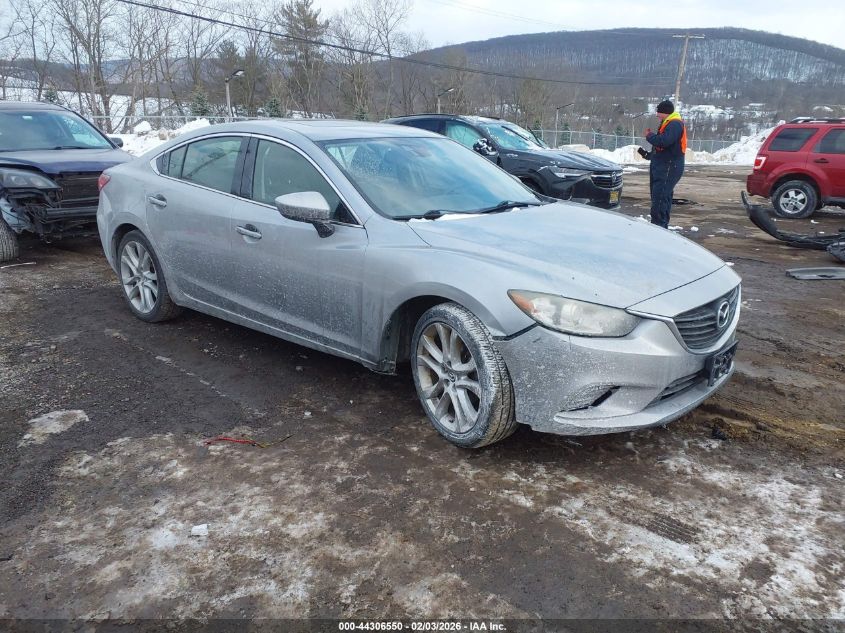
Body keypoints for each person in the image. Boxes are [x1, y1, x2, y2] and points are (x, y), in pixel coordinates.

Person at [642, 100, 687, 228]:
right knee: (661, 197)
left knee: (660, 198)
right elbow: (664, 147)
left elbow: (664, 141)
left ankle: (659, 227)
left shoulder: (675, 124)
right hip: (662, 165)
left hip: (669, 166)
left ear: (665, 112)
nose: (657, 115)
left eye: (659, 112)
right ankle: (661, 225)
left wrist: (649, 136)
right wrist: (650, 155)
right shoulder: (667, 123)